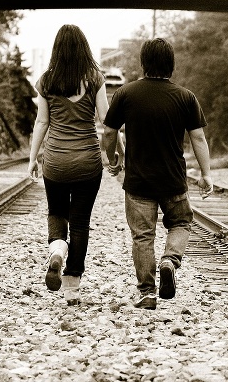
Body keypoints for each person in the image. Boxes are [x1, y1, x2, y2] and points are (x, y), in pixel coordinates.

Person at [102, 37, 213, 310]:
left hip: (138, 181)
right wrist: (206, 174)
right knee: (181, 222)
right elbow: (198, 138)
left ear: (143, 64)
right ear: (171, 64)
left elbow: (108, 132)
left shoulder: (125, 94)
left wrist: (112, 158)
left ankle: (147, 292)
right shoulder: (185, 97)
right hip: (173, 180)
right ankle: (170, 260)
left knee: (143, 236)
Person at [28, 24, 123, 305]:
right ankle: (71, 286)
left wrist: (33, 158)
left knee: (56, 212)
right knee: (80, 223)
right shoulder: (95, 78)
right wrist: (116, 154)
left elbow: (42, 122)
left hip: (55, 160)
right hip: (86, 163)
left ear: (57, 49)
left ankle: (57, 250)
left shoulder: (46, 81)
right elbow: (107, 122)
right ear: (84, 48)